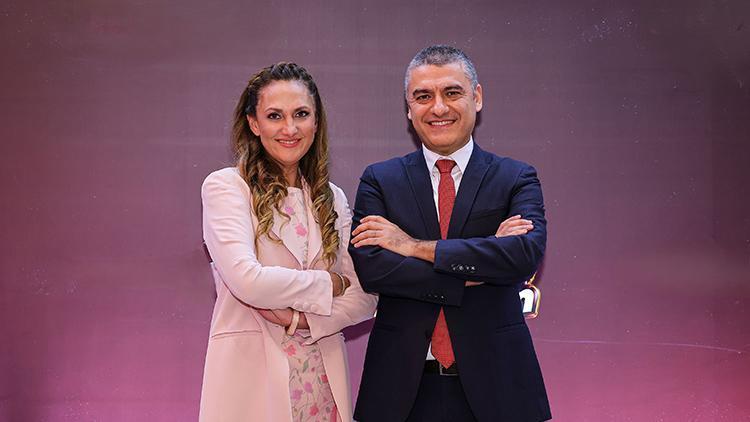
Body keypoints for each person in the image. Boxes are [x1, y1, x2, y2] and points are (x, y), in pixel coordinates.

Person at [349, 45, 551, 421]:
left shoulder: (515, 177)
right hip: (399, 393)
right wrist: (482, 264)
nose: (438, 108)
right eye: (423, 96)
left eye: (452, 92)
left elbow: (521, 256)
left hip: (501, 390)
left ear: (477, 97)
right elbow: (374, 269)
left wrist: (411, 247)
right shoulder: (379, 180)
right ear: (409, 108)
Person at [199, 62, 377, 422]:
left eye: (301, 114)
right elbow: (248, 281)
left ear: (316, 121)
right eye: (275, 116)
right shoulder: (227, 187)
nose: (290, 129)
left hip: (324, 389)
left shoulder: (332, 198)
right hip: (252, 386)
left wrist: (303, 320)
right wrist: (331, 284)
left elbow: (365, 296)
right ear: (254, 123)